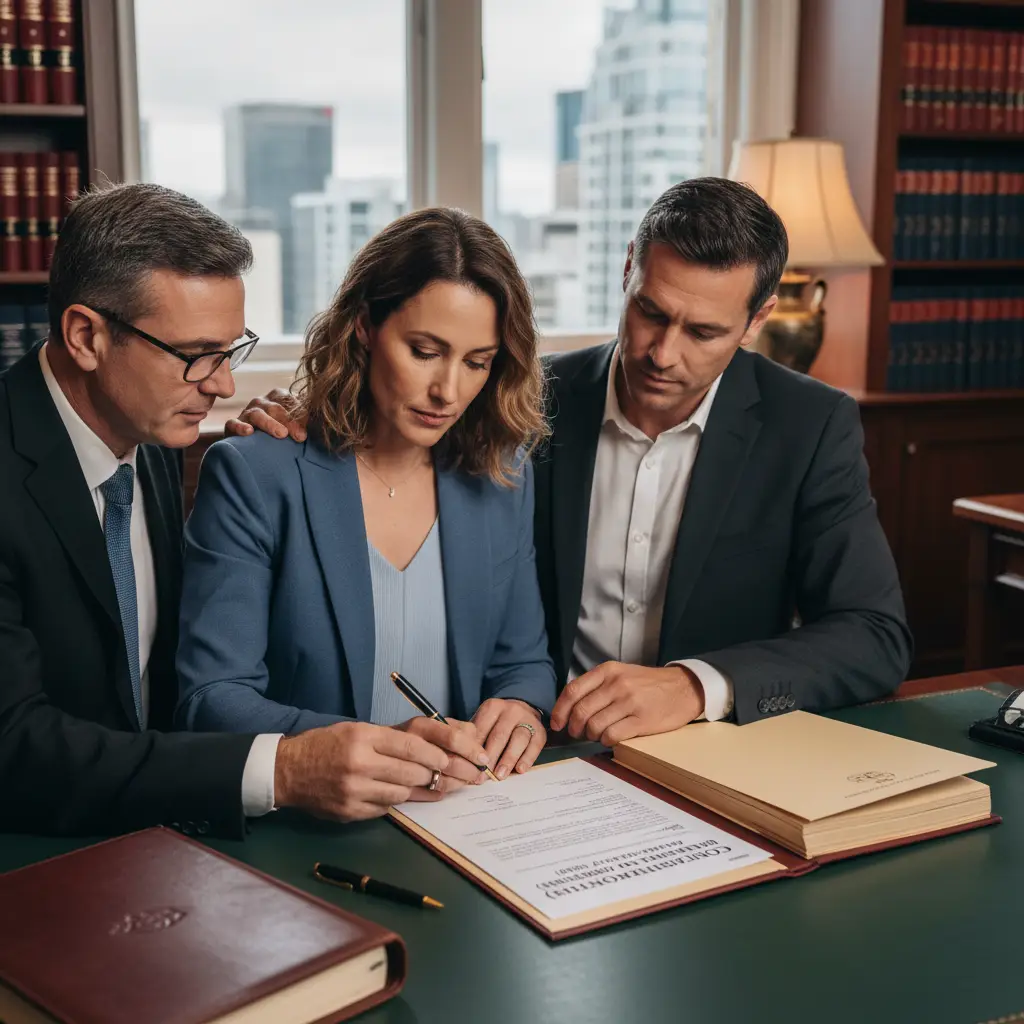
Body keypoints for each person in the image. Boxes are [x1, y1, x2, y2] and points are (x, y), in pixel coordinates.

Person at [234, 177, 912, 748]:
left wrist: (694, 685)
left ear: (759, 318)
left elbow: (874, 636)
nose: (663, 353)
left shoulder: (809, 424)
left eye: (704, 332)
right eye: (650, 312)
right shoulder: (513, 401)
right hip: (540, 755)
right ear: (627, 270)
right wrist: (301, 412)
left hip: (710, 755)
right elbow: (384, 408)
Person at [0, 182, 454, 839]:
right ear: (86, 337)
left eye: (230, 349)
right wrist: (282, 770)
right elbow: (16, 747)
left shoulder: (146, 435)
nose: (221, 384)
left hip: (158, 847)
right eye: (196, 357)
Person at [176, 207, 556, 802]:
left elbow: (524, 662)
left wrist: (521, 707)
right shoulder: (257, 474)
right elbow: (212, 699)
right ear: (363, 327)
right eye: (425, 351)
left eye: (477, 362)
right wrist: (369, 749)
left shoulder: (503, 476)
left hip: (467, 815)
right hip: (311, 828)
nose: (448, 391)